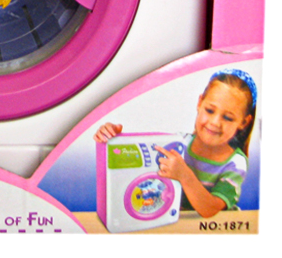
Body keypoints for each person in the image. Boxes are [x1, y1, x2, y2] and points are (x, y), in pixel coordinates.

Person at [95, 69, 257, 218]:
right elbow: (140, 166)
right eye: (210, 110)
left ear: (244, 122)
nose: (215, 122)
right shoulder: (178, 143)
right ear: (199, 103)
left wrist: (185, 175)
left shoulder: (235, 163)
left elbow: (210, 210)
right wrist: (113, 139)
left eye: (227, 118)